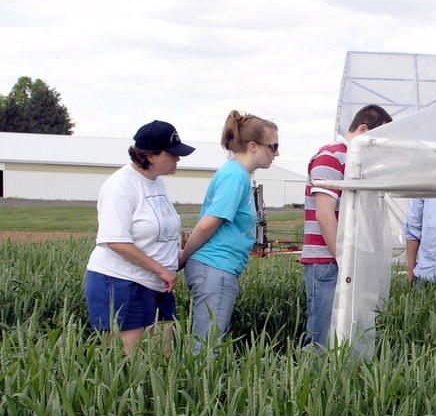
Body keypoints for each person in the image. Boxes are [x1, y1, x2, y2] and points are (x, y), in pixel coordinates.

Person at [84, 120, 195, 355]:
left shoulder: (157, 183)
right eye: (173, 153)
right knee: (129, 363)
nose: (178, 159)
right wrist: (161, 269)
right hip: (121, 282)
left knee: (164, 358)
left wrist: (175, 257)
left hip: (157, 284)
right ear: (151, 155)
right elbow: (115, 241)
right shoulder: (120, 186)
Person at [179, 110, 278, 353]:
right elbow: (208, 224)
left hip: (217, 269)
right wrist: (183, 256)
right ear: (254, 146)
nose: (276, 153)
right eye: (273, 146)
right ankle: (202, 389)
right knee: (206, 349)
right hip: (215, 268)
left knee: (206, 344)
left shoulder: (237, 174)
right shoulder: (236, 177)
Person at [302, 104, 393, 348]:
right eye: (378, 140)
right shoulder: (330, 156)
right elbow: (325, 215)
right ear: (363, 130)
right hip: (327, 262)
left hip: (341, 261)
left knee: (343, 335)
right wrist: (345, 261)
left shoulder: (355, 163)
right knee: (322, 336)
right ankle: (313, 382)